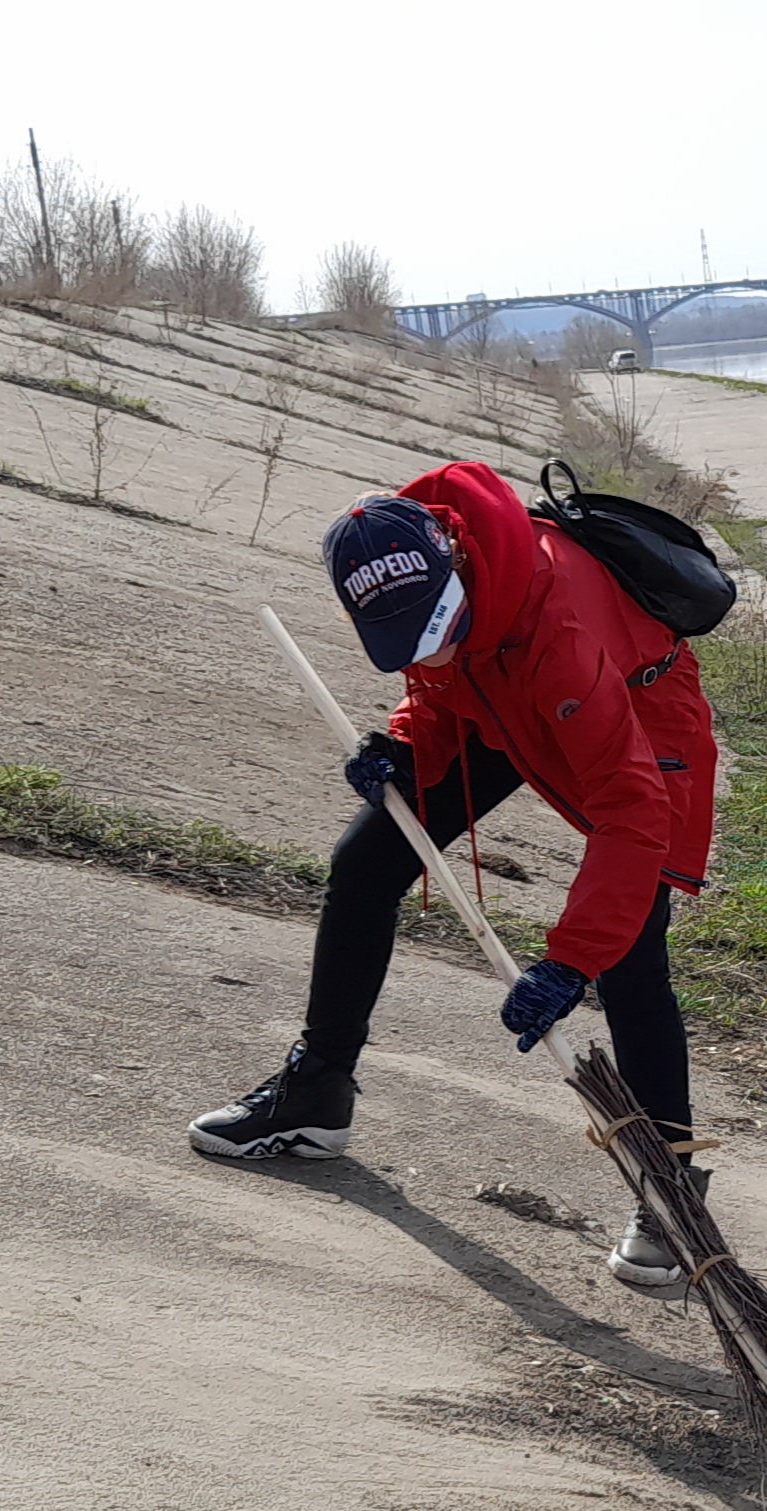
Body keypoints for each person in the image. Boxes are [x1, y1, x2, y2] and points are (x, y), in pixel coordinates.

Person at [188, 462, 721, 1291]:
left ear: (458, 569)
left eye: (438, 625)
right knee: (367, 861)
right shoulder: (423, 587)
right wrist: (407, 748)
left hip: (634, 714)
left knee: (629, 956)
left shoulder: (559, 631)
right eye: (411, 639)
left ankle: (672, 1187)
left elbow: (634, 813)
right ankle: (316, 1095)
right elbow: (441, 682)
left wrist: (569, 961)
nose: (425, 643)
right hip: (496, 693)